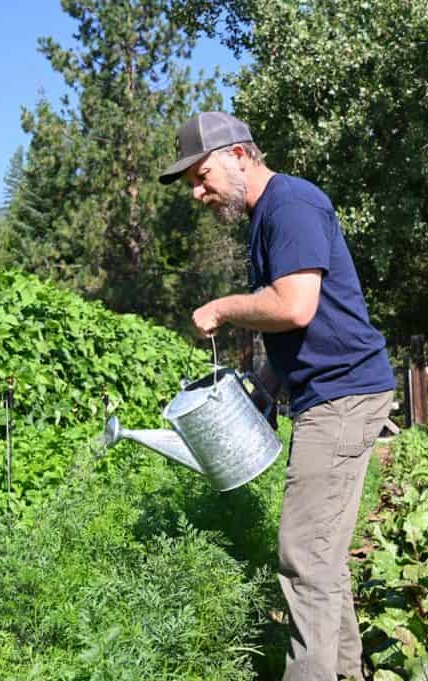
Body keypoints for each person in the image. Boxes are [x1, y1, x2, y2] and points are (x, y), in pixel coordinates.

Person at [159, 111, 395, 681]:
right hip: (330, 394)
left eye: (201, 174)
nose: (198, 192)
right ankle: (344, 672)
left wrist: (222, 307)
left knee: (302, 558)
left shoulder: (289, 205)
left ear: (238, 155)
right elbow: (306, 330)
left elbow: (294, 306)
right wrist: (265, 387)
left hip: (342, 397)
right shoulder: (269, 215)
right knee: (321, 556)